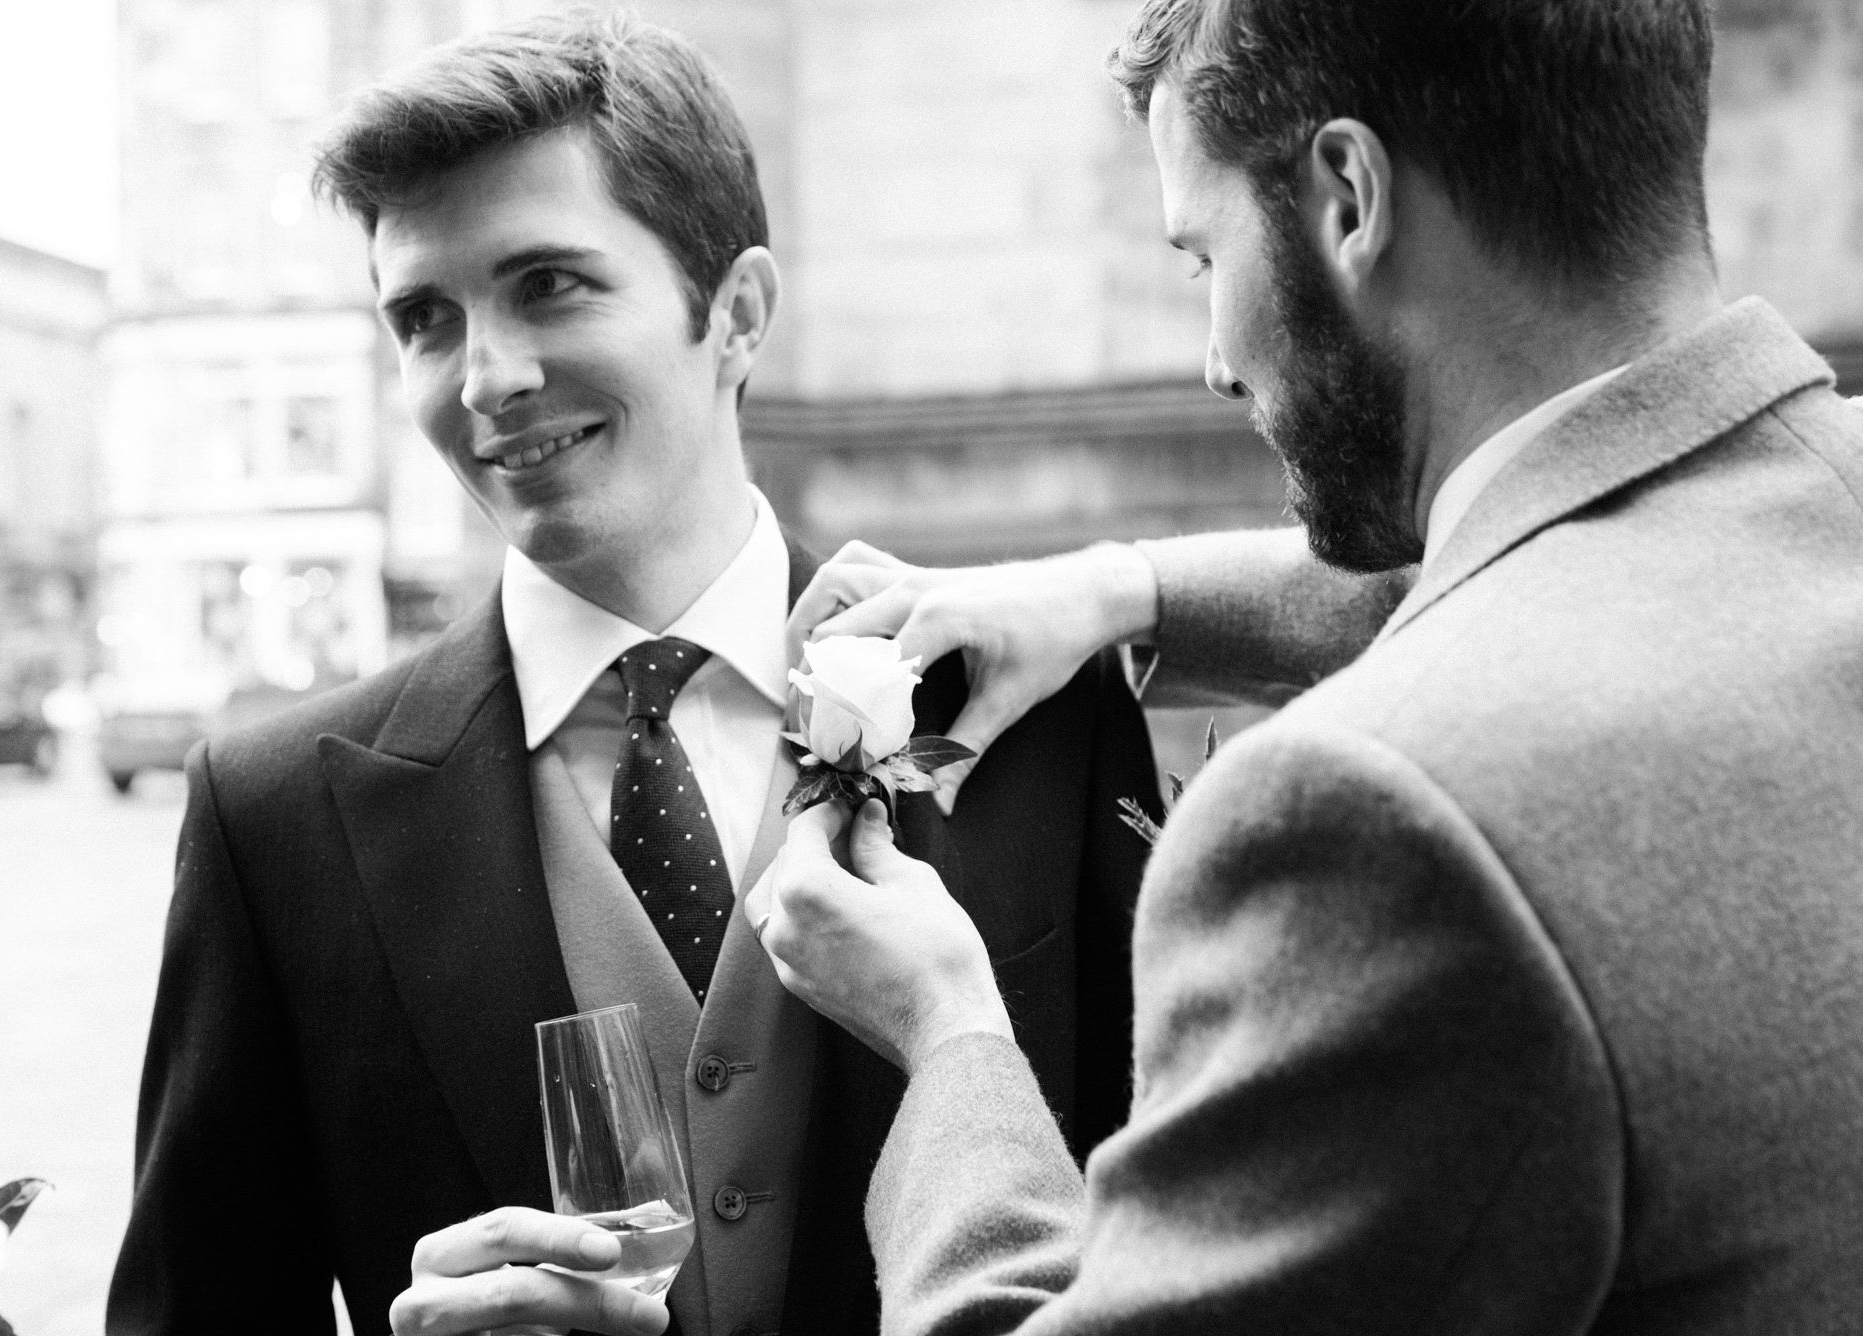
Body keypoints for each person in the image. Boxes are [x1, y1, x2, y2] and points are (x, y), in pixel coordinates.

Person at [752, 0, 1863, 1331]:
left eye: (1200, 254)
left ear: (1347, 197)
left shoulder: (1368, 823)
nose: (1216, 359)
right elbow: (1585, 552)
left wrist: (947, 1040)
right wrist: (1121, 589)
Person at [105, 14, 1169, 1336]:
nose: (485, 378)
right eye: (425, 319)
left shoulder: (1035, 719)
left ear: (737, 314)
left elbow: (1192, 1254)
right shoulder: (270, 817)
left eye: (548, 284)